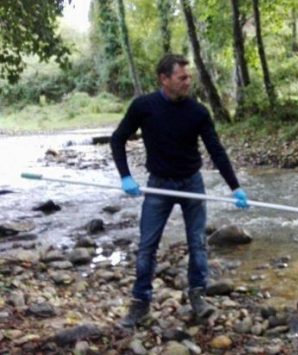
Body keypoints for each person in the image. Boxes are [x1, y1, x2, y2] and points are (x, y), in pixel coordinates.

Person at [110, 54, 249, 328]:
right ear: (165, 79)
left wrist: (235, 187)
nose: (188, 82)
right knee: (147, 246)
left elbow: (216, 150)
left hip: (191, 184)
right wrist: (125, 176)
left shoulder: (198, 111)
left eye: (189, 77)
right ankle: (140, 304)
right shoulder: (144, 106)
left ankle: (198, 296)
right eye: (182, 77)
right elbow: (117, 138)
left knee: (197, 243)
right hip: (159, 184)